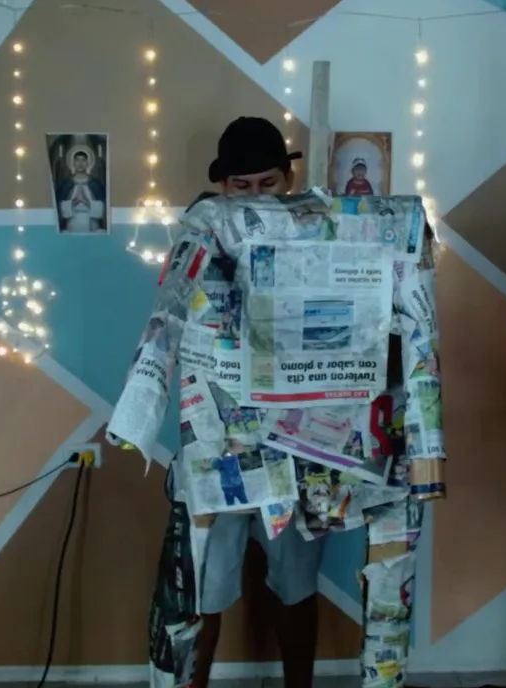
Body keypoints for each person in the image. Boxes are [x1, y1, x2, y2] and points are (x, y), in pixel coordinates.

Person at [185, 116, 322, 688]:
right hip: (217, 435)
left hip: (294, 439)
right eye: (241, 187)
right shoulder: (199, 234)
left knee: (297, 583)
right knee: (203, 587)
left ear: (288, 179)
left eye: (268, 183)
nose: (256, 197)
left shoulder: (316, 231)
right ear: (222, 188)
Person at [56, 147, 107, 233]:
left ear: (88, 163)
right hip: (71, 224)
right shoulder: (65, 184)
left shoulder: (95, 184)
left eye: (83, 160)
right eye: (77, 160)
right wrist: (73, 202)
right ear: (73, 163)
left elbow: (103, 207)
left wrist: (87, 202)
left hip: (92, 224)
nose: (80, 163)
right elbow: (59, 207)